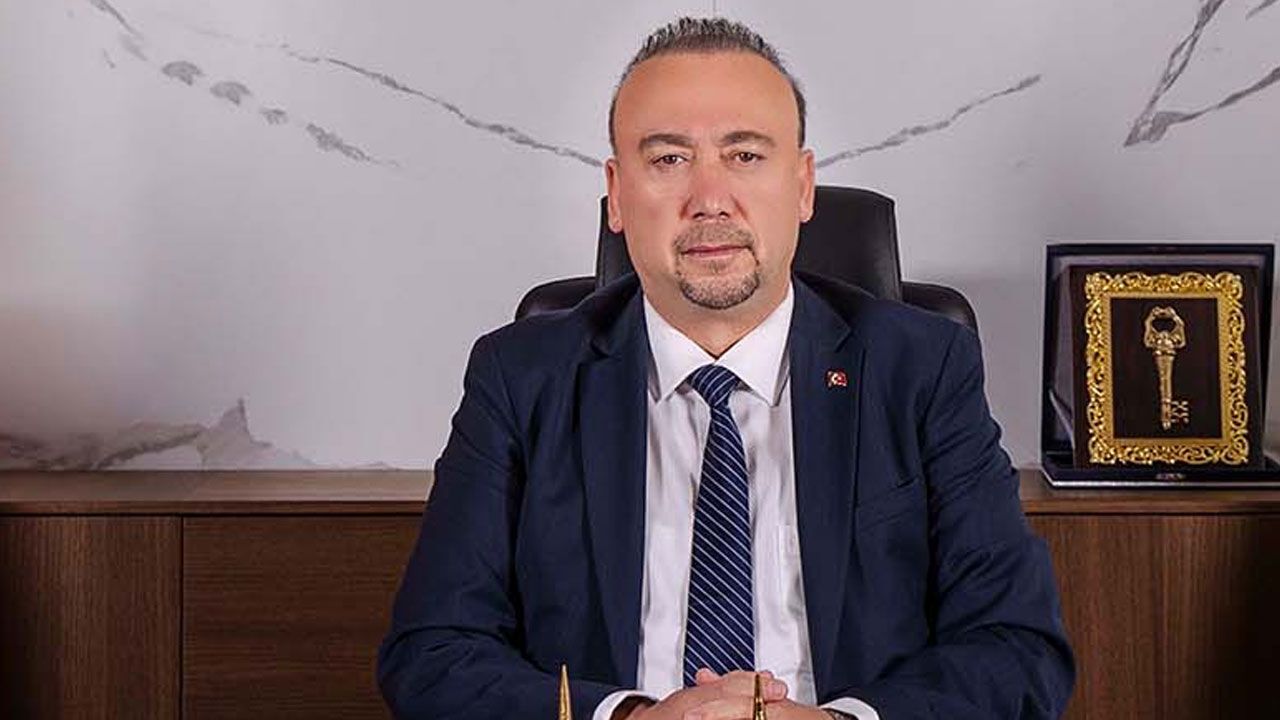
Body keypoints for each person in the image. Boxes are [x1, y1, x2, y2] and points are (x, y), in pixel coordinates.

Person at [379, 17, 1074, 720]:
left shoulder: (921, 368)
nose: (709, 199)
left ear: (802, 186)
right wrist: (629, 717)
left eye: (744, 155)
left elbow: (1018, 648)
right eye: (668, 159)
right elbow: (433, 652)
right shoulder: (522, 376)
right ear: (616, 193)